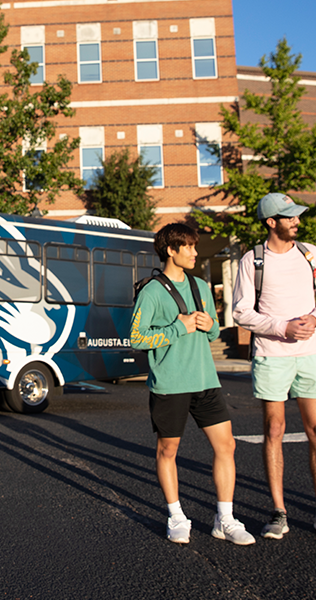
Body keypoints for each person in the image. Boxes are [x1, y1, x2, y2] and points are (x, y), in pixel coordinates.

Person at [232, 192, 316, 541]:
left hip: (310, 354)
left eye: (297, 217)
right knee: (275, 431)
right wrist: (282, 327)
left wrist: (314, 318)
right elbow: (241, 312)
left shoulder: (310, 253)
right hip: (271, 355)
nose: (297, 221)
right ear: (272, 222)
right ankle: (278, 512)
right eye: (290, 217)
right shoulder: (251, 260)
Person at [130, 223, 255, 546]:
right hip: (170, 385)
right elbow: (137, 338)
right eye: (188, 247)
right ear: (171, 250)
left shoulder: (200, 286)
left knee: (226, 446)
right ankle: (176, 516)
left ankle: (224, 519)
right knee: (168, 450)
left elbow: (212, 334)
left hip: (205, 381)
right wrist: (177, 328)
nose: (195, 252)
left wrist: (211, 325)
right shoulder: (152, 291)